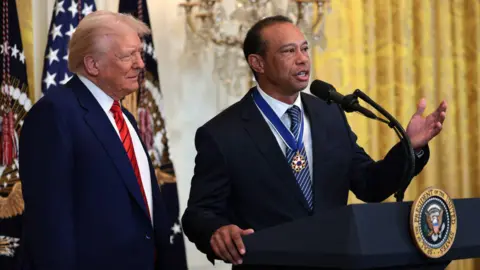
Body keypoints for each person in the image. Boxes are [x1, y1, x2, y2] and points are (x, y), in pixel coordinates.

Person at [181, 15, 447, 269]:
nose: (303, 59)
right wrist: (216, 230)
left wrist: (410, 148)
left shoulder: (330, 114)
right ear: (257, 63)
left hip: (337, 263)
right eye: (288, 51)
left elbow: (370, 184)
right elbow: (199, 214)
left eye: (305, 49)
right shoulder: (222, 133)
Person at [19, 11, 170, 270]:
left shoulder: (124, 117)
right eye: (128, 55)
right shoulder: (55, 113)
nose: (140, 64)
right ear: (92, 65)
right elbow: (50, 222)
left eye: (139, 54)